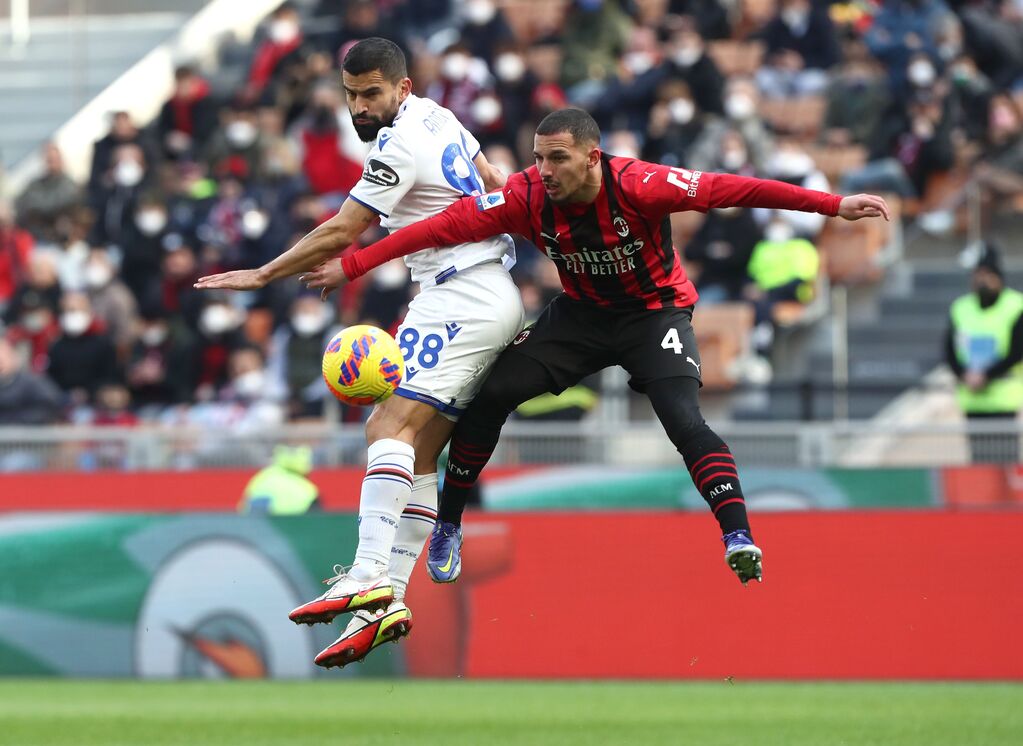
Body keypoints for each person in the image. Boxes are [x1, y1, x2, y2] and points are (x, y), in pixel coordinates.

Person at [303, 108, 889, 589]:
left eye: (556, 157)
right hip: (581, 318)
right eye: (537, 157)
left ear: (591, 156)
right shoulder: (525, 197)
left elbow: (732, 188)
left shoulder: (640, 183)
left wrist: (832, 205)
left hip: (652, 313)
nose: (543, 169)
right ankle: (449, 524)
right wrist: (353, 264)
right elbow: (433, 230)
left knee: (684, 421)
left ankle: (736, 533)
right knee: (492, 395)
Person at [193, 38, 521, 668]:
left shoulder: (399, 142)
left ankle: (369, 571)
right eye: (351, 94)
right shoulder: (439, 116)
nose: (360, 106)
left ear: (400, 87)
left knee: (385, 424)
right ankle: (388, 601)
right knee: (419, 446)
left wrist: (262, 275)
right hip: (478, 289)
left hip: (461, 292)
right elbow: (494, 182)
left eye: (372, 93)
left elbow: (346, 229)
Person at [944, 242, 1023, 464]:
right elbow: (949, 351)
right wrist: (965, 375)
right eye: (978, 274)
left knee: (1005, 464)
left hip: (1004, 399)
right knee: (979, 466)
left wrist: (986, 375)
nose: (982, 280)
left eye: (987, 274)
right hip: (972, 399)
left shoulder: (1016, 306)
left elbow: (1017, 352)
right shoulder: (961, 307)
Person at [239, 445, 321, 514]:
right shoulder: (307, 490)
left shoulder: (261, 477)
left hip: (252, 530)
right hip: (290, 531)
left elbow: (243, 508)